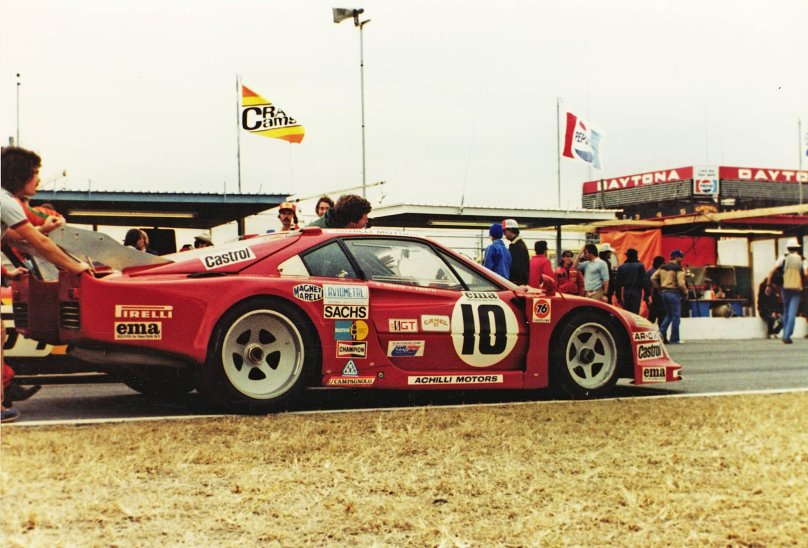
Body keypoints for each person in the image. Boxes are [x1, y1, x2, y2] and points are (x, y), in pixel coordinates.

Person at [2, 146, 90, 422]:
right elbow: (37, 244)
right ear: (20, 176)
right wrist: (75, 266)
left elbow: (13, 238)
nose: (39, 180)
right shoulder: (5, 202)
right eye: (35, 173)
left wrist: (43, 229)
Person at [765, 238, 807, 345]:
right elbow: (805, 274)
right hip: (796, 288)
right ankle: (787, 335)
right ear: (797, 248)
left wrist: (768, 285)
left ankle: (786, 334)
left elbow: (772, 271)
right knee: (792, 312)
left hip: (785, 287)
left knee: (786, 311)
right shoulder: (801, 259)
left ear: (788, 248)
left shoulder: (783, 258)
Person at [651, 249, 688, 344]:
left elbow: (653, 278)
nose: (682, 259)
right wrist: (685, 293)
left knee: (669, 315)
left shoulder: (662, 267)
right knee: (676, 316)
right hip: (674, 293)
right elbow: (681, 284)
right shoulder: (678, 269)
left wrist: (659, 289)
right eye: (681, 257)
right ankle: (674, 339)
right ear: (677, 257)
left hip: (663, 293)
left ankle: (660, 333)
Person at [614, 248, 650, 314]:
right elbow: (644, 281)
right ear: (636, 256)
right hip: (636, 290)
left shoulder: (622, 267)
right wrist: (647, 294)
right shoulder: (640, 266)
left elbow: (618, 283)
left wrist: (618, 296)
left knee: (627, 311)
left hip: (626, 290)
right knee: (635, 311)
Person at [502, 219, 528, 285]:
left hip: (517, 284)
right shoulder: (519, 244)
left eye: (504, 231)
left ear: (510, 230)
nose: (504, 234)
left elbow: (516, 268)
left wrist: (514, 282)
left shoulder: (516, 247)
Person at [646, 256, 666, 324]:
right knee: (662, 318)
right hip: (661, 296)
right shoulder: (662, 272)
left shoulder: (649, 272)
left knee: (651, 319)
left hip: (653, 298)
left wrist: (646, 297)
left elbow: (647, 285)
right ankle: (662, 334)